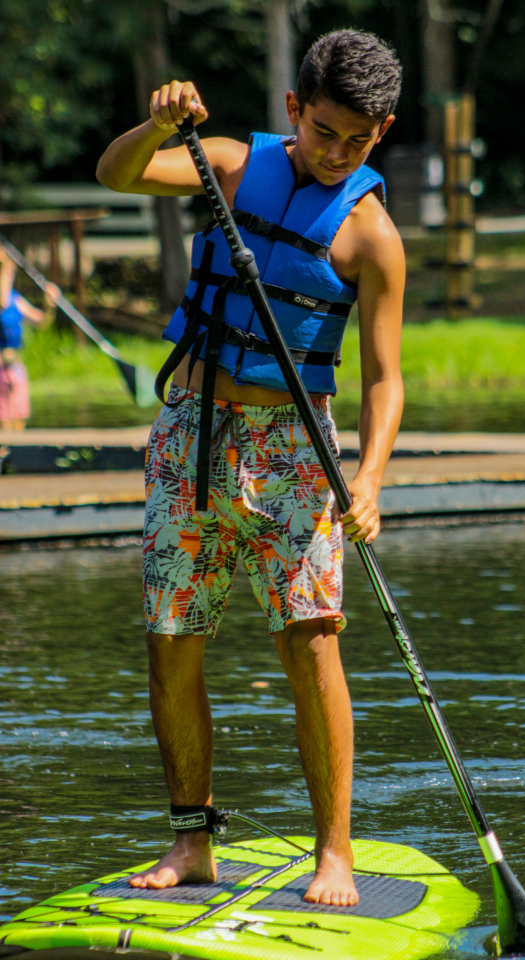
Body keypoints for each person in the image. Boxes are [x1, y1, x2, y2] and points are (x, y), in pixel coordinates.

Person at [96, 29, 405, 907]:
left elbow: (386, 376)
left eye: (358, 138)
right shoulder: (230, 163)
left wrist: (374, 479)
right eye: (323, 131)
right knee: (172, 646)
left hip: (294, 455)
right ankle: (192, 844)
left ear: (382, 131)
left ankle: (335, 854)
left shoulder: (372, 238)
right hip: (189, 437)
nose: (337, 151)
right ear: (292, 111)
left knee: (312, 648)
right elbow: (115, 177)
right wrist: (158, 125)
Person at [0, 248, 54, 431]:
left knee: (19, 420)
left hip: (15, 369)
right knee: (3, 425)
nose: (6, 277)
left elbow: (43, 321)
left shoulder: (17, 301)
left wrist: (49, 304)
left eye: (8, 273)